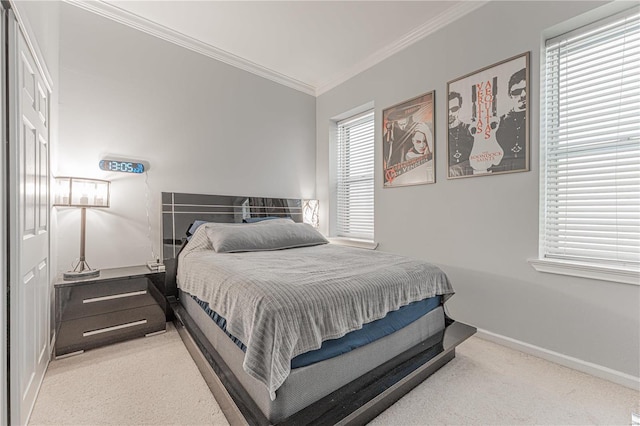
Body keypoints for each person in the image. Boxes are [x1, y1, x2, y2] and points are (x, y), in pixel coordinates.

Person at [492, 67, 527, 172]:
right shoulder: (501, 122)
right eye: (517, 92)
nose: (523, 95)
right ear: (510, 95)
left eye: (526, 89)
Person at [447, 91, 474, 175]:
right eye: (447, 110)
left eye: (454, 109)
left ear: (460, 107)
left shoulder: (469, 128)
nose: (450, 113)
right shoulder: (440, 136)